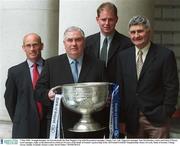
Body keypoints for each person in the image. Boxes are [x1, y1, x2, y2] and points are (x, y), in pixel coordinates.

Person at [34, 26, 107, 138]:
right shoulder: (51, 64)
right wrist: (48, 94)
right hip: (61, 126)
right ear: (64, 43)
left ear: (84, 42)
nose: (74, 44)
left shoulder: (98, 65)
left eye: (78, 39)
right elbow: (38, 91)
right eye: (70, 40)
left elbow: (106, 94)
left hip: (91, 129)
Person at [116, 15, 179, 138]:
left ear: (149, 32)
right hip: (131, 120)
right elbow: (120, 89)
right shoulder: (123, 57)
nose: (136, 35)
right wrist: (121, 119)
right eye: (133, 32)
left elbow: (172, 87)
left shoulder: (165, 55)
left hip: (157, 120)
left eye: (140, 31)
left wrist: (166, 112)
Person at [4, 33, 47, 138]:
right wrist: (19, 120)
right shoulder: (14, 72)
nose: (32, 49)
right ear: (23, 48)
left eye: (35, 44)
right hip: (23, 129)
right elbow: (10, 100)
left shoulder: (51, 67)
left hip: (48, 127)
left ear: (42, 46)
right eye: (28, 45)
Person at [85, 2, 132, 83]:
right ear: (97, 20)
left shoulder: (127, 44)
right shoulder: (87, 42)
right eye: (103, 19)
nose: (107, 23)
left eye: (110, 19)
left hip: (117, 91)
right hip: (93, 91)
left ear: (116, 19)